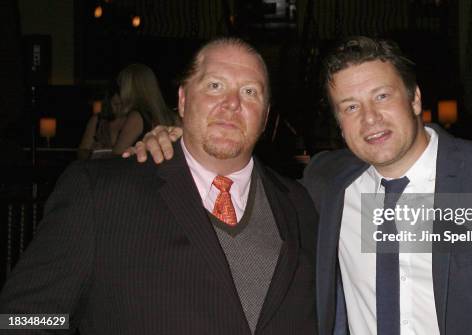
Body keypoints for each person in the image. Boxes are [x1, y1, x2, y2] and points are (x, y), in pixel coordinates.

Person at [126, 37, 472, 335]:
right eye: (350, 106)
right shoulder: (325, 182)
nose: (370, 117)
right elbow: (235, 175)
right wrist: (177, 137)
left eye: (382, 96)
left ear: (415, 98)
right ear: (338, 122)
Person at [0, 38, 318, 334]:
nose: (232, 103)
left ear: (265, 117)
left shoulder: (300, 205)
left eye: (250, 92)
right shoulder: (99, 194)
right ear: (182, 99)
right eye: (215, 85)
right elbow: (22, 318)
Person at [78, 63, 177, 158]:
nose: (120, 91)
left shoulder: (137, 116)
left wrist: (102, 151)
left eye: (121, 85)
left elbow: (118, 155)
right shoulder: (168, 115)